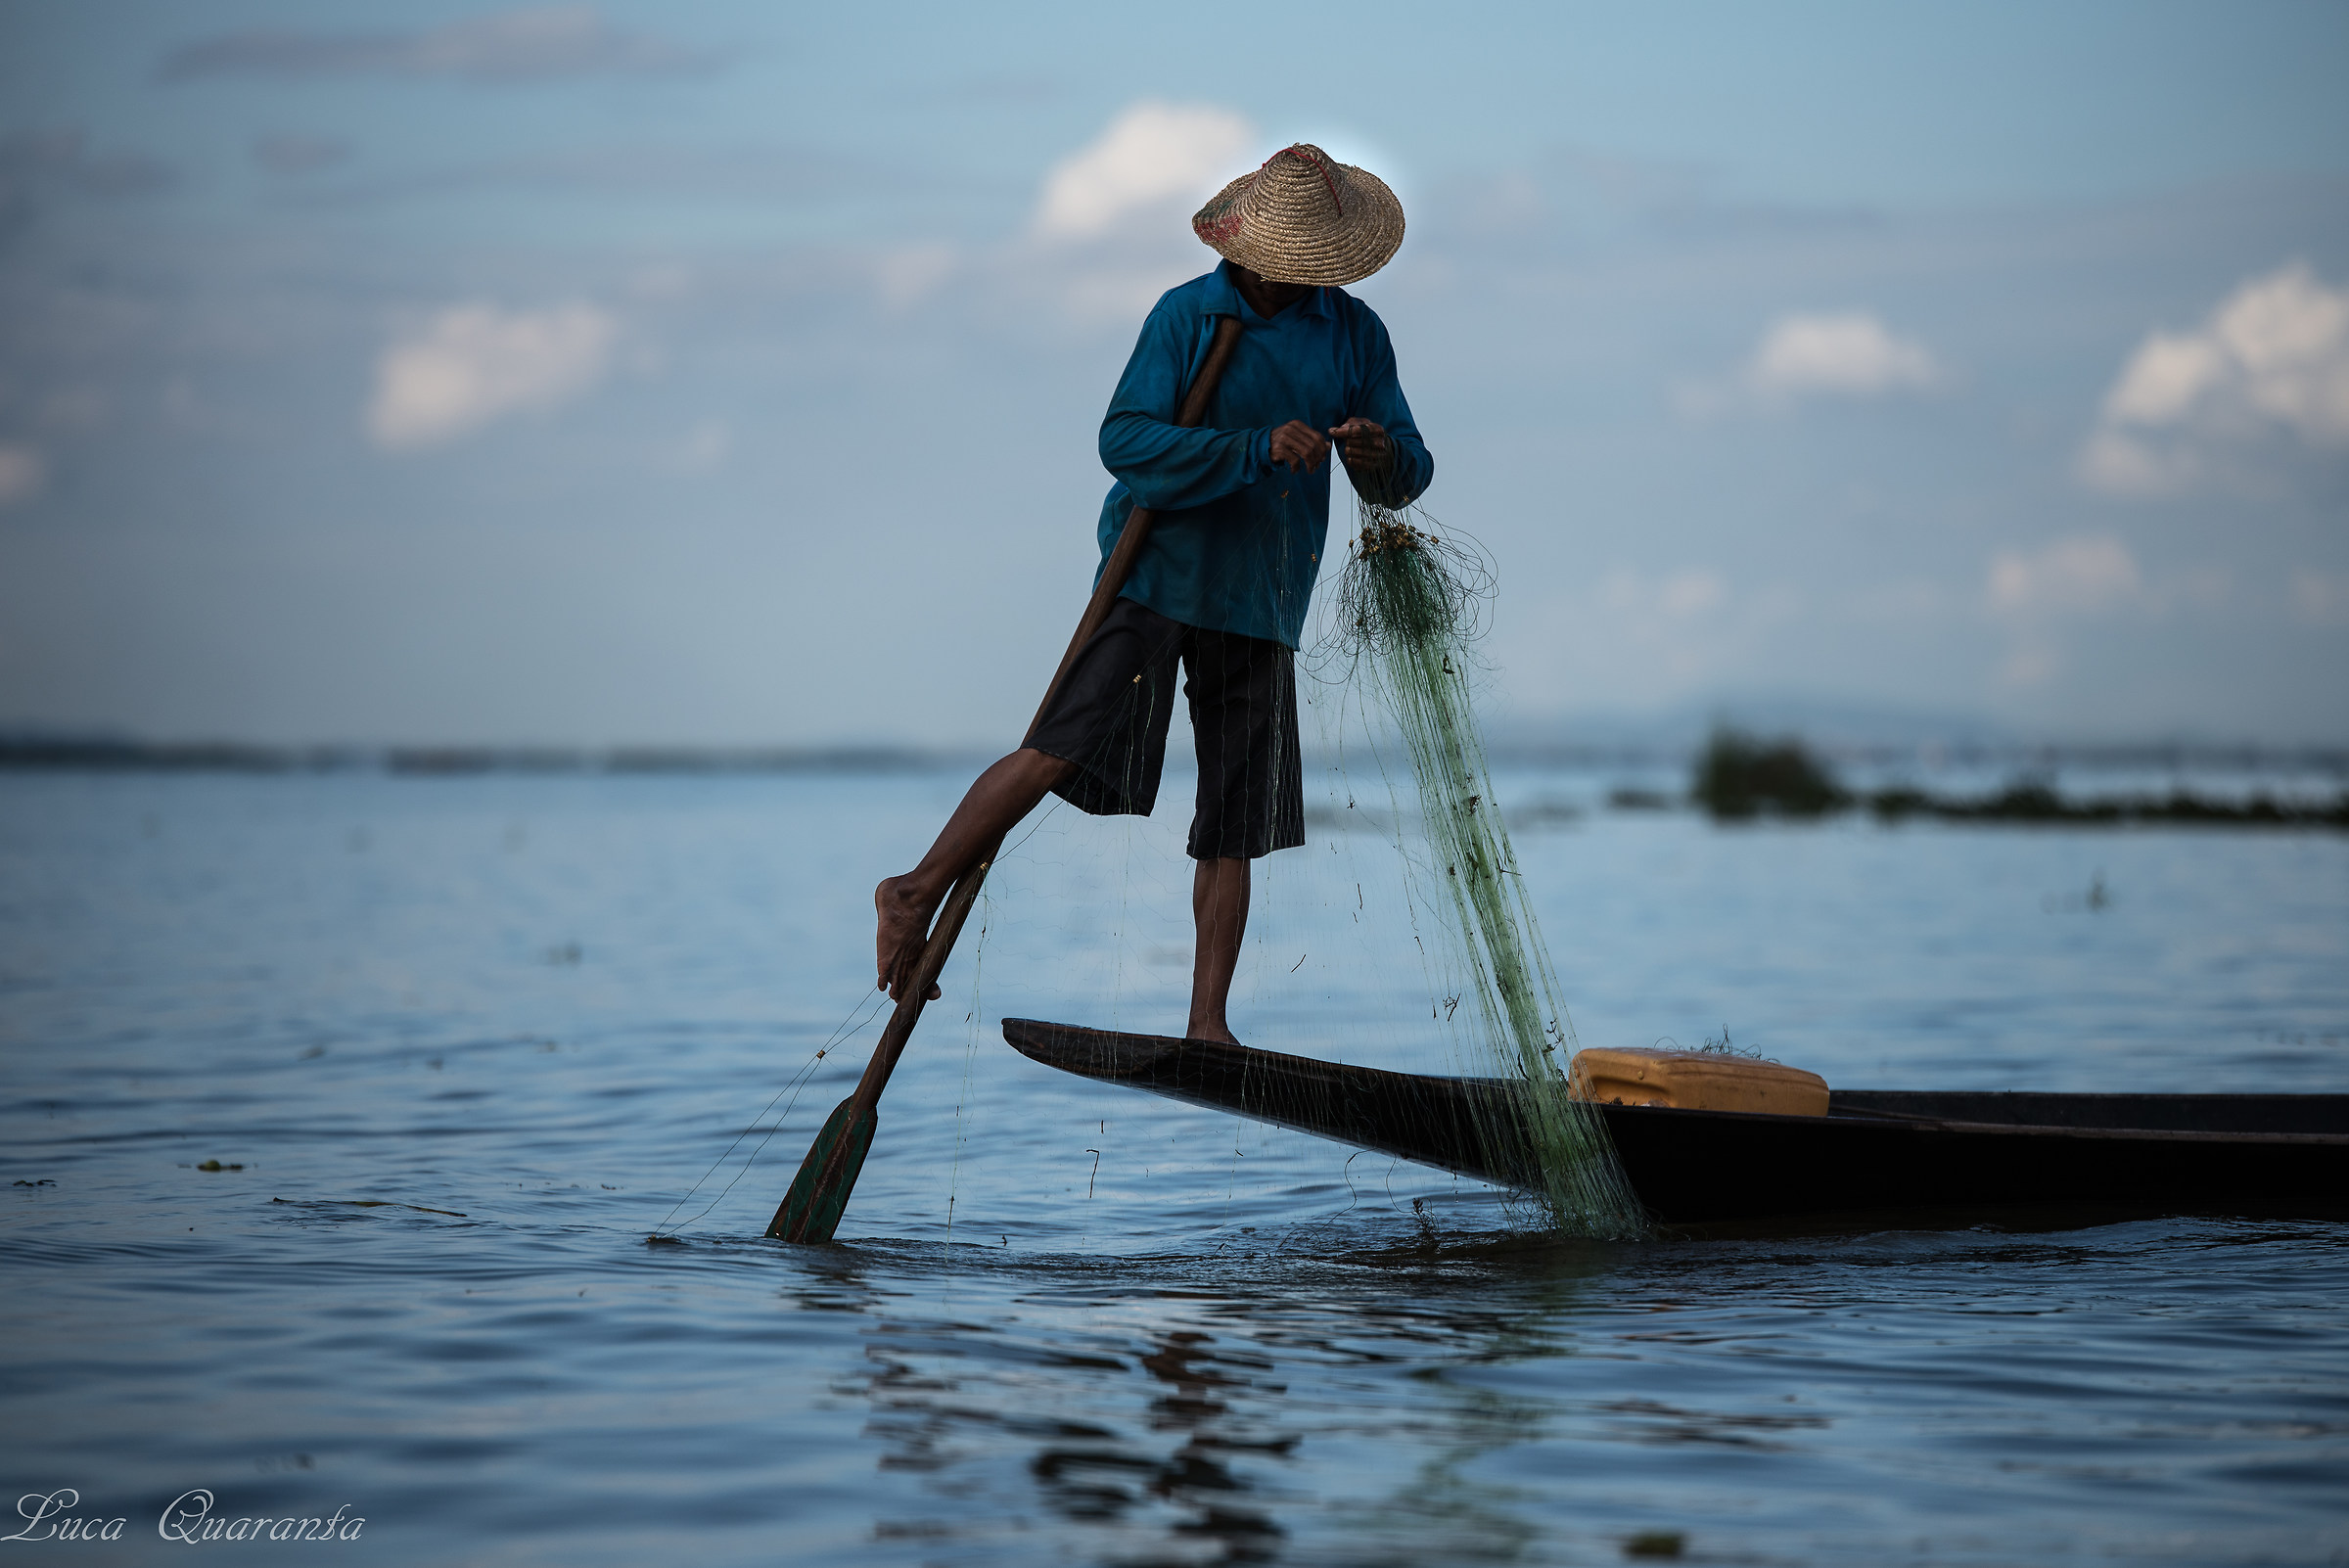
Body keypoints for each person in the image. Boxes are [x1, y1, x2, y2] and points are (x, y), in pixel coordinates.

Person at [875, 144, 1433, 1043]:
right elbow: (1125, 441)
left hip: (1264, 596)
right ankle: (915, 888)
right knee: (1059, 748)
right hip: (1157, 574)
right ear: (1252, 252)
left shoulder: (1354, 332)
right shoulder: (1187, 317)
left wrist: (1379, 453)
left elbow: (1406, 471)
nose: (1302, 279)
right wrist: (1252, 448)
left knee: (1237, 817)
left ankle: (1207, 1023)